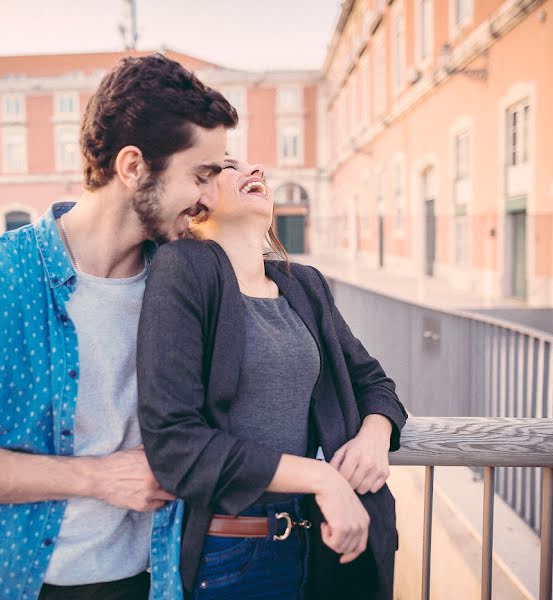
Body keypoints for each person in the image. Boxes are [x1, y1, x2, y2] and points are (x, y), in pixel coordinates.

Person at [0, 54, 237, 600]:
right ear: (133, 166)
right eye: (201, 176)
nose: (210, 197)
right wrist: (95, 477)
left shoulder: (189, 287)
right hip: (3, 584)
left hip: (148, 580)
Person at [137, 156, 408, 599]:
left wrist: (375, 436)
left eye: (252, 164)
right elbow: (176, 442)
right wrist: (322, 478)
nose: (255, 169)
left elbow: (374, 382)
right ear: (196, 198)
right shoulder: (183, 268)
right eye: (228, 165)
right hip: (235, 552)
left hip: (323, 541)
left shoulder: (304, 283)